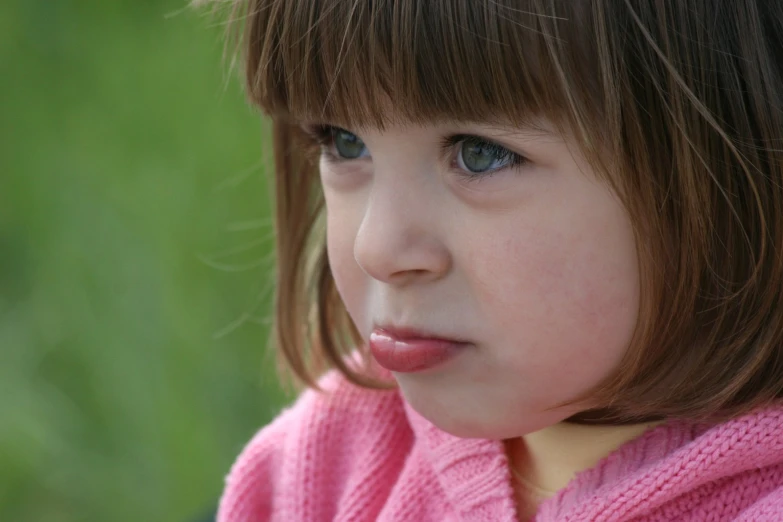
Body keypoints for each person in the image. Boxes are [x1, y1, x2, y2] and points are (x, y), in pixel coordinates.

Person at [205, 0, 783, 520]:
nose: (376, 249)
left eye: (480, 155)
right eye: (343, 142)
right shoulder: (319, 465)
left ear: (728, 166)